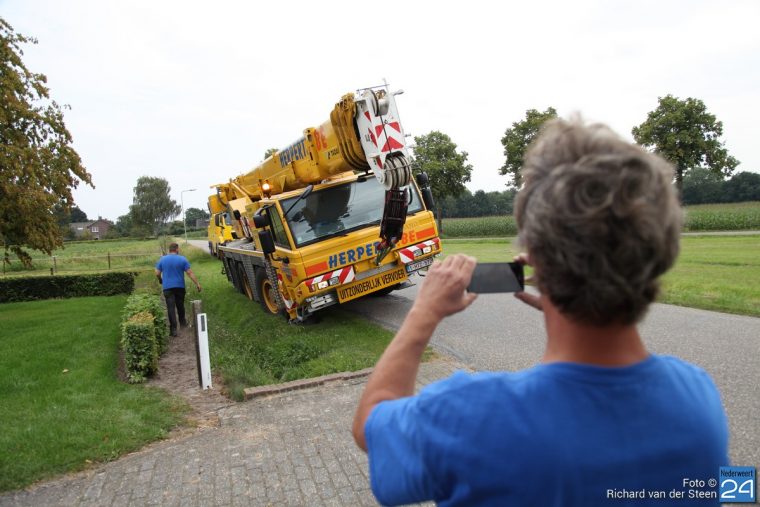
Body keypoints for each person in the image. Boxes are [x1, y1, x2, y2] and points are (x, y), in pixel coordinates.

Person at [352, 119, 729, 506]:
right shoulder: (698, 397)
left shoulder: (471, 415)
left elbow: (370, 425)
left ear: (537, 259)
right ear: (660, 251)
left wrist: (423, 313)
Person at [155, 242, 201, 337]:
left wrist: (160, 279)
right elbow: (189, 273)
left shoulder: (162, 259)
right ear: (176, 249)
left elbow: (157, 273)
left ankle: (173, 330)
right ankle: (183, 324)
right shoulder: (182, 259)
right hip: (180, 287)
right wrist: (197, 284)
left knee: (171, 308)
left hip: (167, 287)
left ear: (169, 250)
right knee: (180, 305)